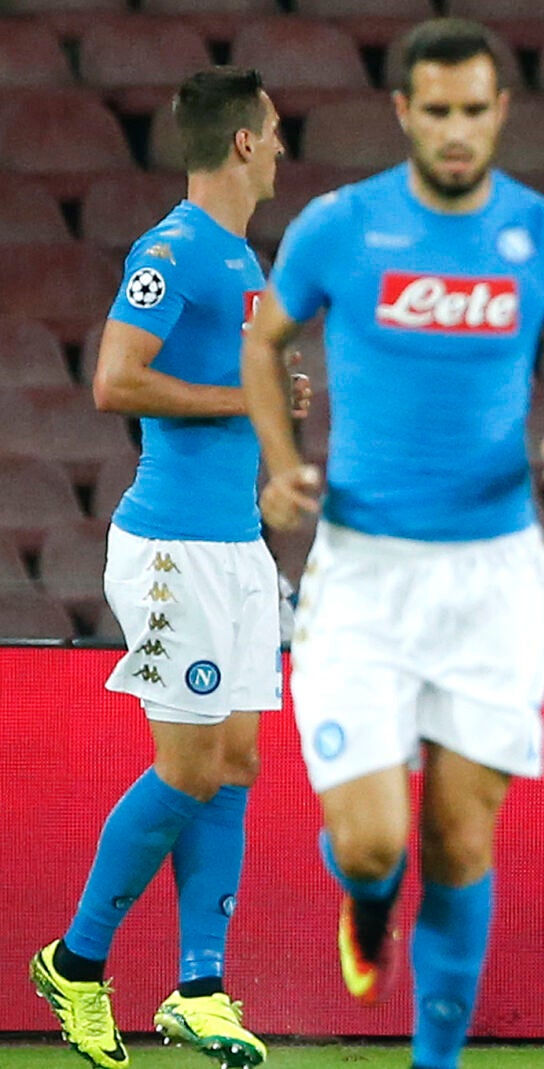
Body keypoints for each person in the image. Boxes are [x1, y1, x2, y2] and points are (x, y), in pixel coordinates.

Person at [238, 19, 544, 1069]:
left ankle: (435, 1059)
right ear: (405, 112)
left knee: (459, 839)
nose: (457, 130)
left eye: (474, 110)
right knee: (374, 844)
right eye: (438, 111)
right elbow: (266, 345)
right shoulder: (339, 226)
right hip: (364, 572)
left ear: (501, 111)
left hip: (495, 577)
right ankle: (367, 898)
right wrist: (280, 460)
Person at [29, 66, 292, 1069]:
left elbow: (221, 383)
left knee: (235, 762)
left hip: (235, 546)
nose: (281, 147)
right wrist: (244, 402)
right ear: (242, 141)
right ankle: (76, 963)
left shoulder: (239, 257)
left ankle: (200, 988)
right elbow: (115, 380)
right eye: (273, 131)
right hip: (174, 548)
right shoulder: (171, 250)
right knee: (189, 768)